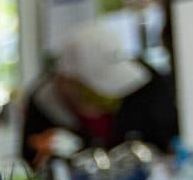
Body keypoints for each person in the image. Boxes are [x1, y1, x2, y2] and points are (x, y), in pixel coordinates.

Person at [21, 18, 178, 167]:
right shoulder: (43, 106)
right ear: (66, 80)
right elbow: (29, 167)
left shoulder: (146, 85)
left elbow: (171, 141)